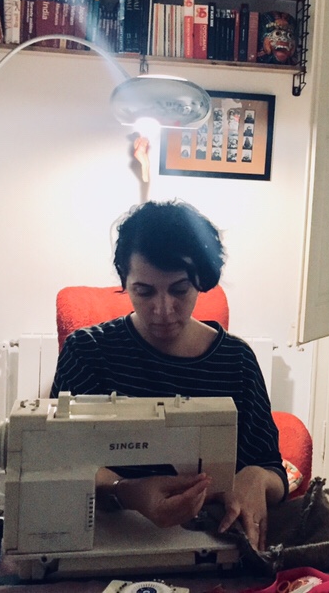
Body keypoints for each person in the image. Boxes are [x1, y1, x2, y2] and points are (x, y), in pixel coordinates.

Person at [51, 200, 286, 551]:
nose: (163, 310)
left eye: (179, 290)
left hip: (211, 544)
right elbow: (58, 461)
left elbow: (273, 471)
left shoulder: (237, 361)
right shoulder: (87, 353)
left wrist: (256, 477)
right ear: (124, 281)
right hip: (108, 538)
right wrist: (126, 491)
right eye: (144, 291)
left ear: (201, 281)